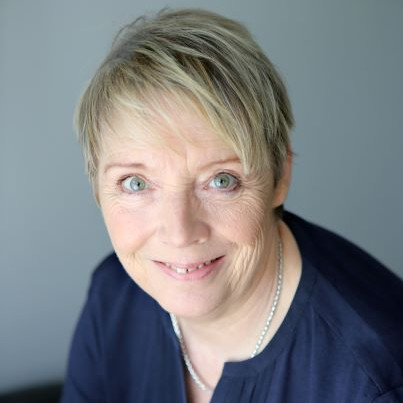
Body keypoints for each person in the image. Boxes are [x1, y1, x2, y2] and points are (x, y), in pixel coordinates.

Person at [60, 8, 403, 403]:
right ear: (98, 189)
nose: (179, 232)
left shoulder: (375, 380)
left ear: (279, 177)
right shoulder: (113, 298)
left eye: (221, 180)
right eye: (136, 183)